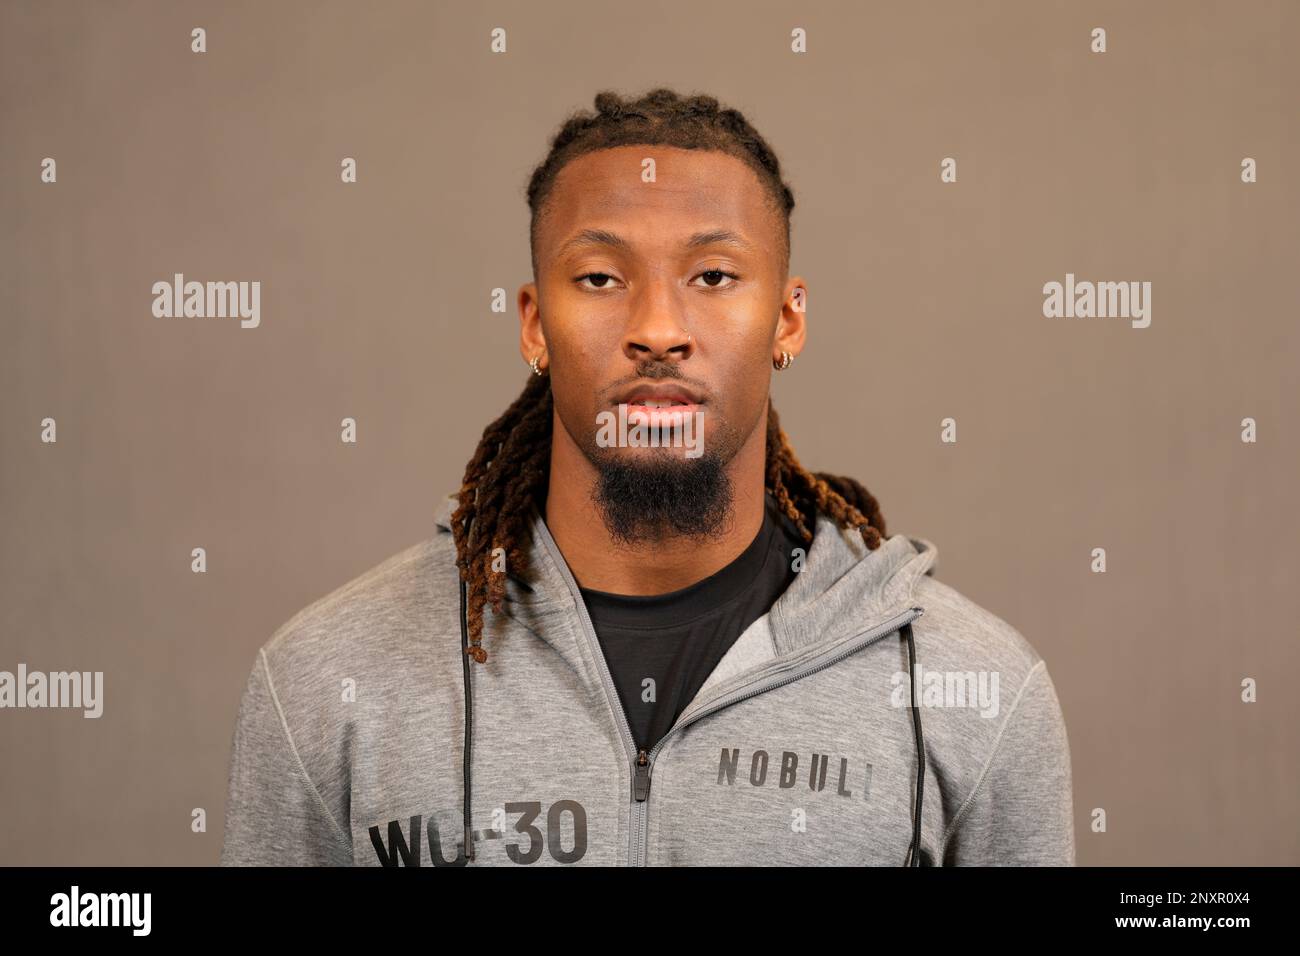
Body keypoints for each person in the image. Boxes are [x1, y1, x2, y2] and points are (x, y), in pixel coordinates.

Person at [220, 87, 1075, 867]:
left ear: (786, 318)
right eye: (599, 278)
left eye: (713, 276)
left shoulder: (970, 690)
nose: (658, 329)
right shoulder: (331, 680)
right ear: (534, 326)